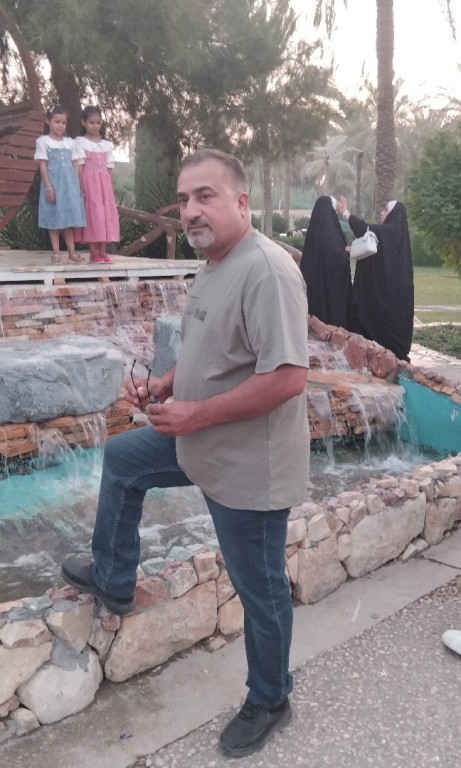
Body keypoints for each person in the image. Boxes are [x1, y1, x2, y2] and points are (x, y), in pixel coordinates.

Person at [61, 148, 310, 758]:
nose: (191, 209)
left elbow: (287, 378)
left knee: (260, 589)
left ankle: (270, 698)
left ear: (241, 202)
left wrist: (194, 414)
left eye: (206, 195)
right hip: (201, 439)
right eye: (183, 199)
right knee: (124, 460)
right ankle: (114, 578)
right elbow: (210, 350)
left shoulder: (267, 272)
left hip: (249, 465)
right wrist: (166, 385)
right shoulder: (213, 263)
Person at [337, 196, 414, 362]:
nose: (381, 213)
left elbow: (365, 230)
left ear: (393, 214)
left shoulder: (389, 231)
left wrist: (345, 213)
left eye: (385, 210)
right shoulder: (399, 236)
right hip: (396, 297)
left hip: (384, 298)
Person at [34, 104, 86, 265]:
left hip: (69, 186)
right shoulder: (43, 141)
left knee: (68, 222)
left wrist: (78, 187)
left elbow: (75, 165)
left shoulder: (71, 143)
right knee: (54, 220)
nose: (60, 125)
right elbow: (43, 166)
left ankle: (72, 253)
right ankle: (56, 254)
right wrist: (48, 187)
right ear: (48, 121)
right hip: (54, 185)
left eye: (63, 122)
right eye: (57, 122)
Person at [73, 106, 120, 263]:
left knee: (105, 215)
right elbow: (80, 167)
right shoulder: (80, 142)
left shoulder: (106, 145)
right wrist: (81, 187)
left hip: (104, 185)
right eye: (91, 122)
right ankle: (93, 252)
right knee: (93, 215)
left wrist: (111, 188)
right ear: (84, 122)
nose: (95, 126)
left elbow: (109, 169)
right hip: (90, 184)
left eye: (98, 123)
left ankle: (103, 251)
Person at [299, 195, 352, 328]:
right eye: (333, 211)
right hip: (329, 294)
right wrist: (346, 252)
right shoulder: (330, 231)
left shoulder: (314, 231)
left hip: (314, 290)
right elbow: (335, 257)